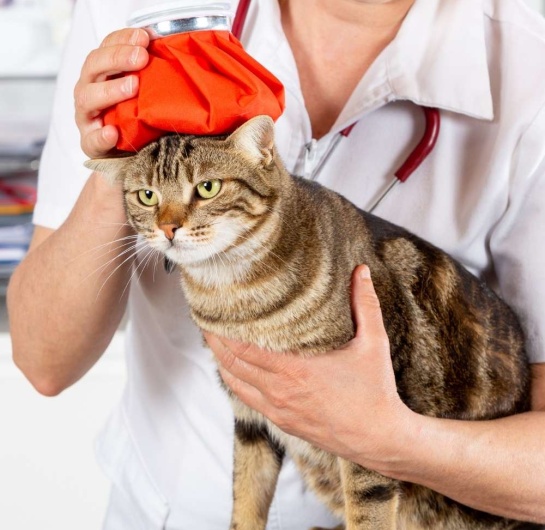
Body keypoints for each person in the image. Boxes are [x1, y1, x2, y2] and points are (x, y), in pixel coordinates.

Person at [7, 0, 545, 528]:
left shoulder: (529, 67)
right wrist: (123, 166)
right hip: (158, 511)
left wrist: (392, 440)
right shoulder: (141, 15)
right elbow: (43, 362)